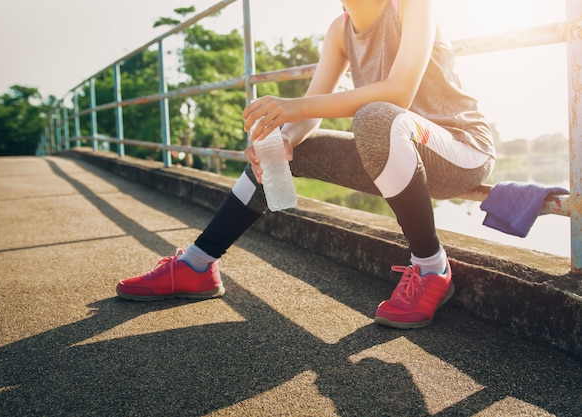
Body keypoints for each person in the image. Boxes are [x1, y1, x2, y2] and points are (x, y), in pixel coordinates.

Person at [115, 0, 496, 329]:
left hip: (460, 149)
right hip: (393, 151)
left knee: (376, 116)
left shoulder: (410, 6)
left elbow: (399, 93)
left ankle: (431, 267)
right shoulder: (340, 28)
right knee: (281, 147)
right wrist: (285, 139)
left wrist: (293, 106)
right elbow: (313, 111)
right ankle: (197, 265)